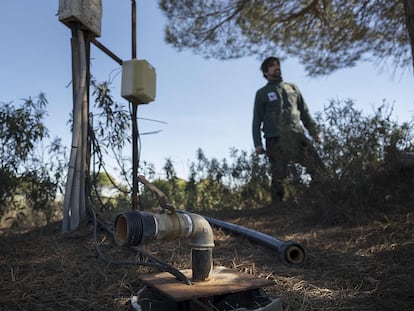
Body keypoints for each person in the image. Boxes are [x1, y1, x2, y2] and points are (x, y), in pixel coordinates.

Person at [252, 56, 323, 206]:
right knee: (279, 173)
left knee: (317, 166)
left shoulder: (292, 88)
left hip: (296, 134)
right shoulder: (262, 93)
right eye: (272, 66)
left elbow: (304, 112)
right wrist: (258, 143)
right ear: (266, 72)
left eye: (278, 64)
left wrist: (314, 132)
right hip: (274, 138)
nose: (276, 67)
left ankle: (315, 198)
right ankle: (277, 207)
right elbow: (257, 120)